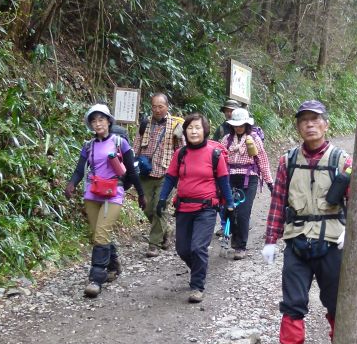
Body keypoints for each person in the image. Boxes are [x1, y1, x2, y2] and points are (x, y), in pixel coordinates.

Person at [262, 100, 352, 344]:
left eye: (315, 119)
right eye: (304, 120)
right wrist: (270, 240)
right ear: (298, 126)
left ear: (326, 124)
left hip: (332, 241)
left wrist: (351, 230)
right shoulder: (287, 160)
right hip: (297, 240)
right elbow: (278, 201)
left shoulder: (342, 160)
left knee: (336, 303)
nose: (310, 124)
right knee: (293, 304)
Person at [65, 103, 147, 298]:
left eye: (101, 119)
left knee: (101, 234)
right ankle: (113, 264)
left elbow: (132, 171)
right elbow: (79, 169)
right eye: (94, 120)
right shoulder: (88, 146)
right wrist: (71, 184)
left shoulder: (120, 142)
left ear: (108, 121)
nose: (97, 123)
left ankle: (96, 278)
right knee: (97, 234)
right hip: (92, 193)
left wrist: (141, 194)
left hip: (114, 192)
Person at [156, 113, 234, 303]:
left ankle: (197, 286)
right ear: (185, 131)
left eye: (197, 127)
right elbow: (171, 178)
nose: (194, 131)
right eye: (190, 128)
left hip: (206, 209)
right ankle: (198, 269)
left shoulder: (214, 154)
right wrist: (162, 198)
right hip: (183, 207)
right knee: (183, 249)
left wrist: (230, 204)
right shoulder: (180, 154)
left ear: (205, 130)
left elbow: (224, 181)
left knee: (198, 247)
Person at [132, 93, 184, 257]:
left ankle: (153, 244)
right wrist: (132, 163)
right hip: (146, 171)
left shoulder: (176, 125)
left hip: (166, 173)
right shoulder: (145, 123)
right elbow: (137, 144)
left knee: (158, 208)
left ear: (167, 107)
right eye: (154, 106)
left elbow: (182, 150)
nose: (157, 110)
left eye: (160, 106)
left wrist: (181, 173)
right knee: (147, 208)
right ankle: (166, 230)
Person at [222, 106, 273, 261]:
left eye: (241, 125)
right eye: (236, 125)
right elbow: (219, 160)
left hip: (248, 178)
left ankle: (241, 246)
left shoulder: (254, 139)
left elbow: (262, 161)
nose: (238, 128)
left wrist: (270, 183)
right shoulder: (226, 140)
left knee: (243, 212)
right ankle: (235, 240)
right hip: (230, 177)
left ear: (247, 125)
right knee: (231, 211)